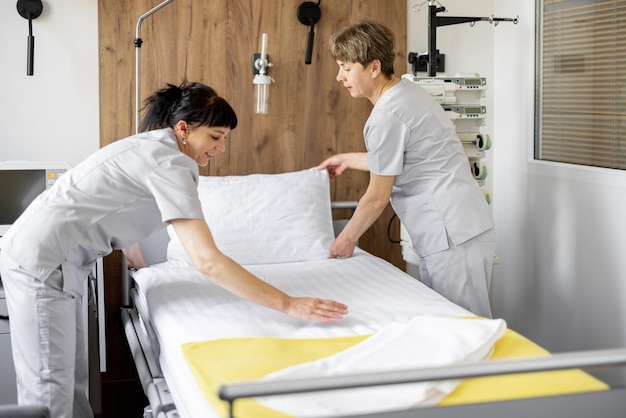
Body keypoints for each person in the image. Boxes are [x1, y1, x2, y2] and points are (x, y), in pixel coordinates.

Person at [0, 81, 348, 418]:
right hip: (43, 262)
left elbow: (115, 205)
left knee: (68, 383)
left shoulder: (153, 148)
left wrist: (137, 262)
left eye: (225, 138)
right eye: (215, 137)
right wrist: (289, 303)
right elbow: (207, 261)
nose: (221, 148)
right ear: (183, 129)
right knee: (50, 392)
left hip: (56, 261)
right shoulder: (169, 161)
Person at [317, 21, 495, 318]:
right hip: (456, 229)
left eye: (346, 68)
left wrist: (345, 240)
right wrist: (347, 159)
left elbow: (377, 195)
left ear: (373, 67)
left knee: (465, 327)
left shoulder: (387, 114)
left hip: (451, 233)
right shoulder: (406, 94)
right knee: (453, 326)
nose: (339, 76)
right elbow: (401, 158)